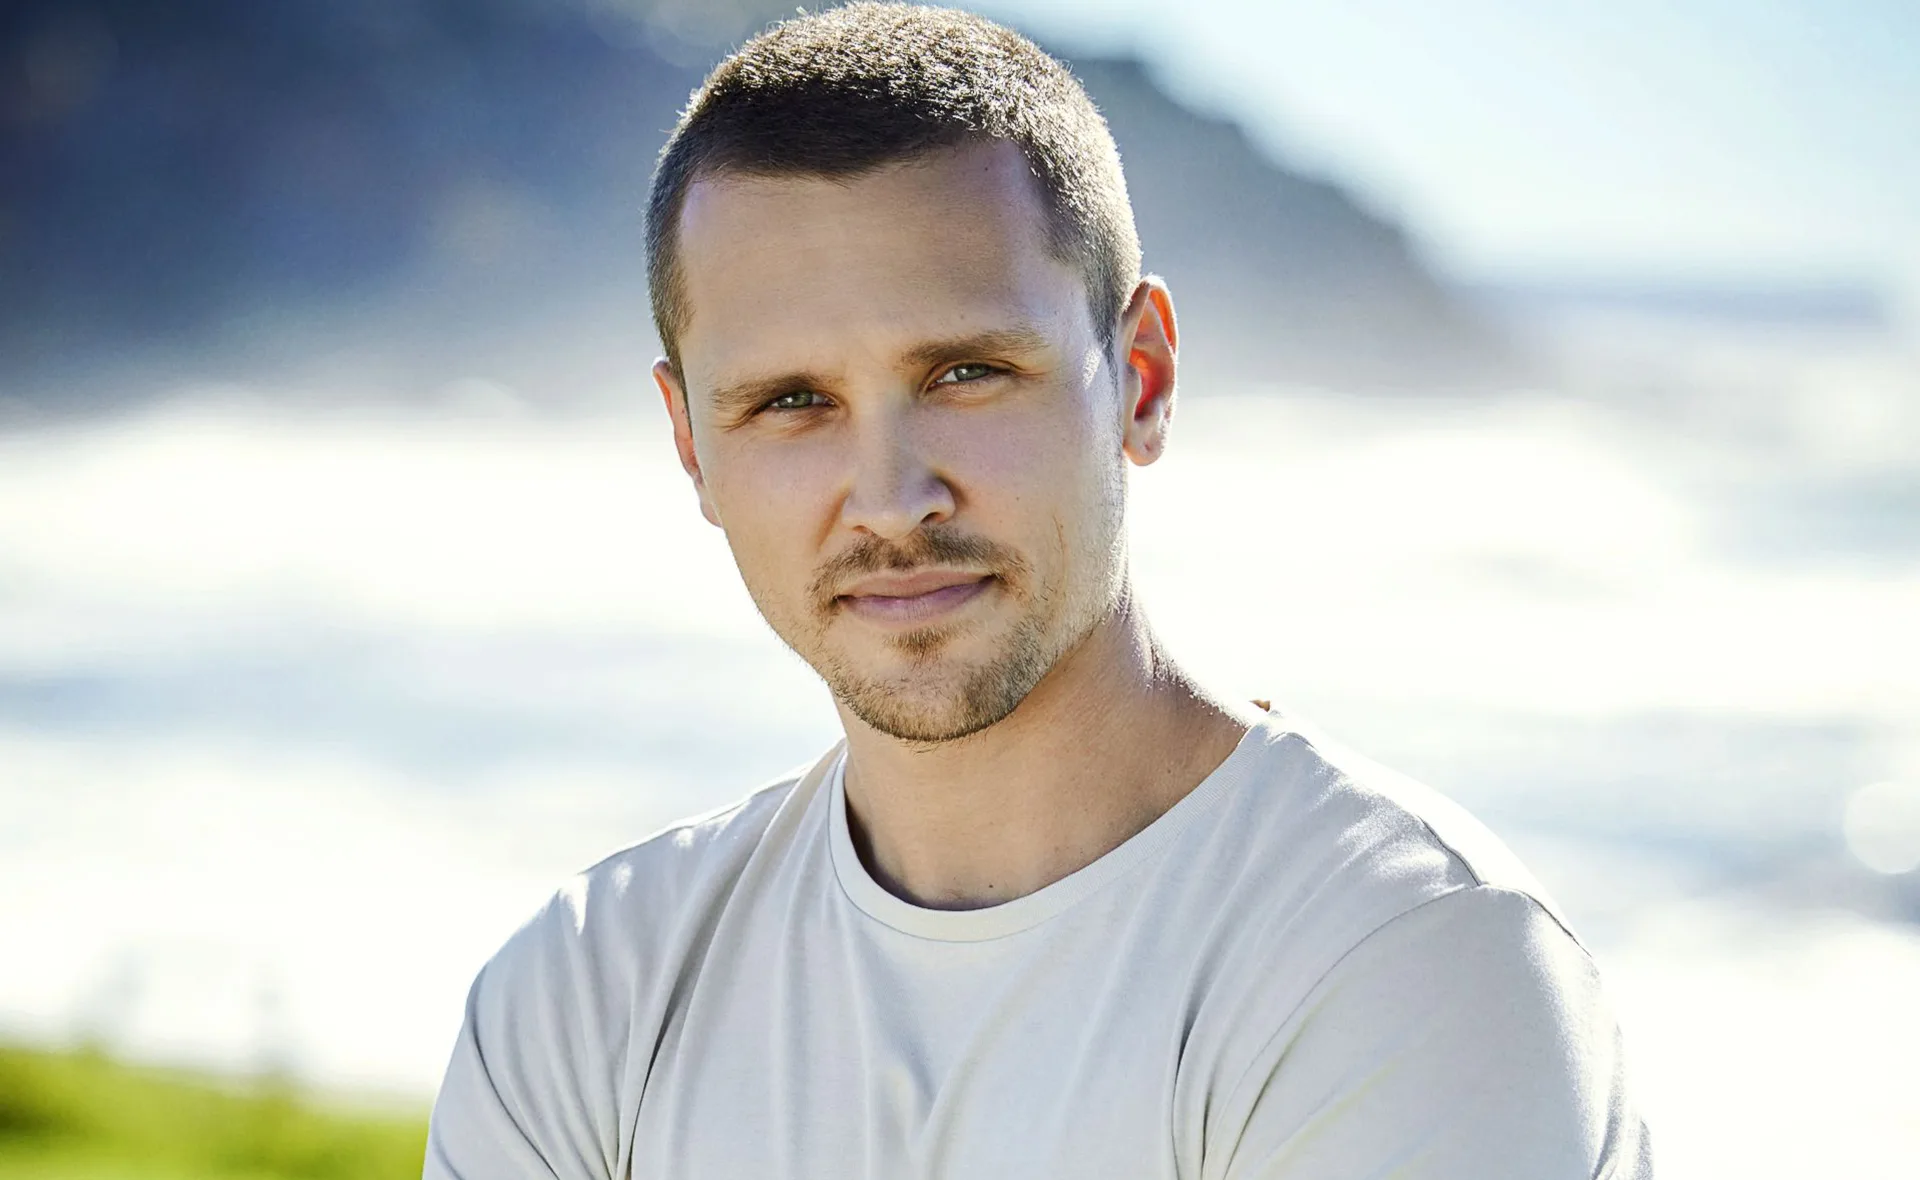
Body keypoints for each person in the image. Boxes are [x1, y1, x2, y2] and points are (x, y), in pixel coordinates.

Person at [423, 5, 1651, 1177]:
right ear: (692, 443)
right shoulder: (584, 998)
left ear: (1143, 379)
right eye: (792, 402)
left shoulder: (1403, 960)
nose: (893, 497)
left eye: (966, 371)